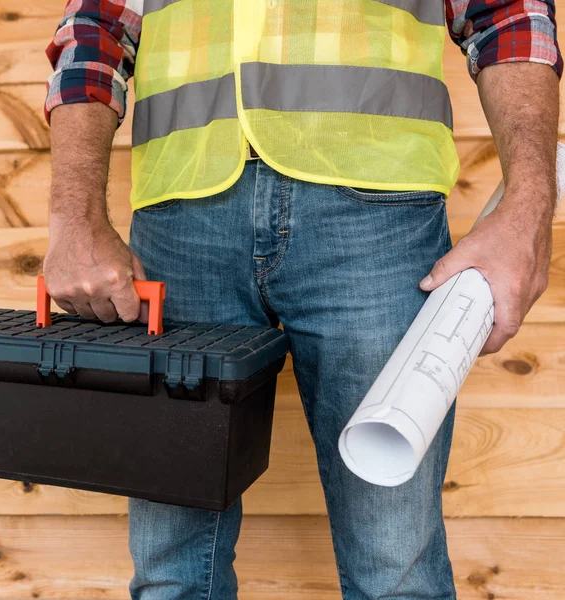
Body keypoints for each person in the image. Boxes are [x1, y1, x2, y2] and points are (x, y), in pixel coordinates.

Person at [43, 1, 561, 598]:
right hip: (180, 215)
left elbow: (508, 14)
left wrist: (527, 211)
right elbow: (97, 27)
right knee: (171, 572)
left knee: (395, 570)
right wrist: (73, 218)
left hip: (377, 212)